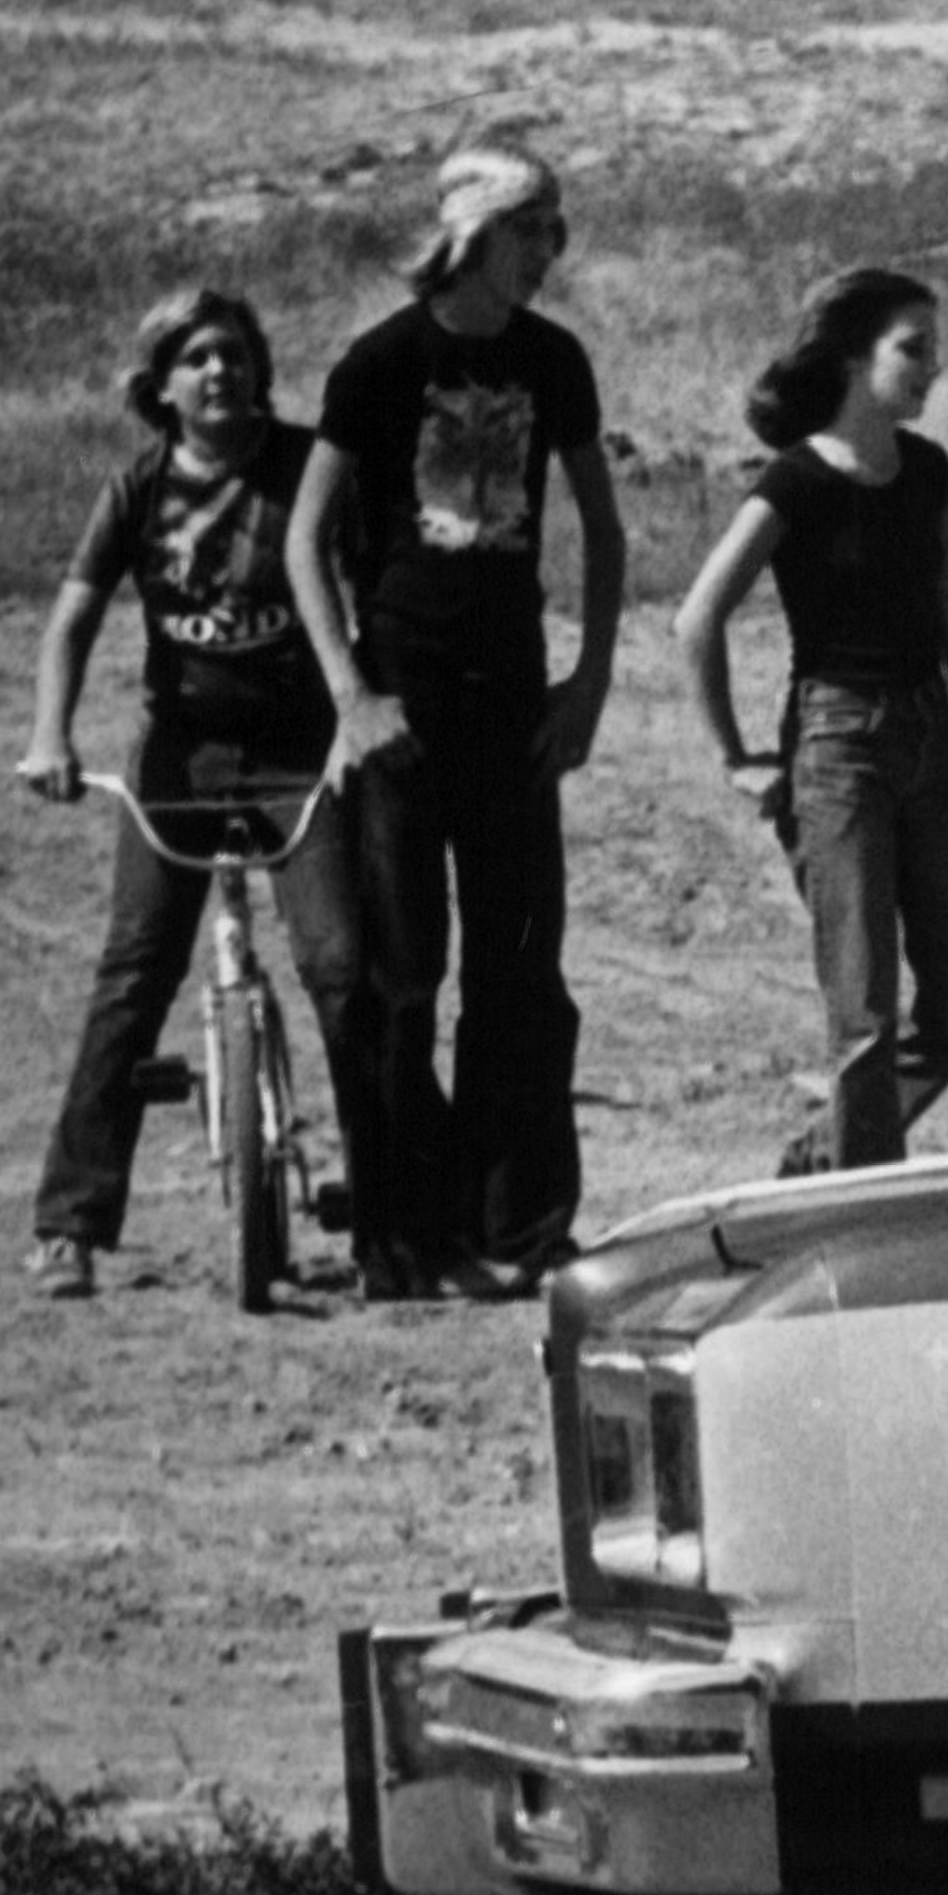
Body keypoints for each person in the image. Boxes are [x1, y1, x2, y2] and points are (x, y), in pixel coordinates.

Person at [287, 136, 625, 1300]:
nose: (552, 252)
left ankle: (519, 1227)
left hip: (514, 706)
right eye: (535, 228)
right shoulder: (381, 364)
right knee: (404, 976)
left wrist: (587, 686)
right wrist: (352, 696)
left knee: (521, 969)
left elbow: (605, 534)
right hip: (401, 709)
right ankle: (400, 1235)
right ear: (478, 231)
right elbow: (306, 539)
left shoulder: (555, 363)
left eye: (558, 229)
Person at [16, 289, 376, 1301]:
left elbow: (369, 583)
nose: (219, 372)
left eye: (235, 354)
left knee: (341, 965)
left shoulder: (310, 470)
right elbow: (75, 615)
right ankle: (71, 1222)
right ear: (161, 385)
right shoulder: (136, 488)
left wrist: (361, 712)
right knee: (134, 971)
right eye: (196, 359)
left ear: (260, 369)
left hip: (299, 752)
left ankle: (386, 1192)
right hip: (181, 754)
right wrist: (51, 733)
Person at [672, 268, 948, 1177]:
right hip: (836, 751)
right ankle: (857, 1207)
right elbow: (697, 618)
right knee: (862, 1013)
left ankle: (824, 1162)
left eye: (934, 348)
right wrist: (735, 757)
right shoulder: (799, 479)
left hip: (932, 745)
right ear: (856, 357)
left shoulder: (928, 469)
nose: (932, 366)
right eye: (914, 347)